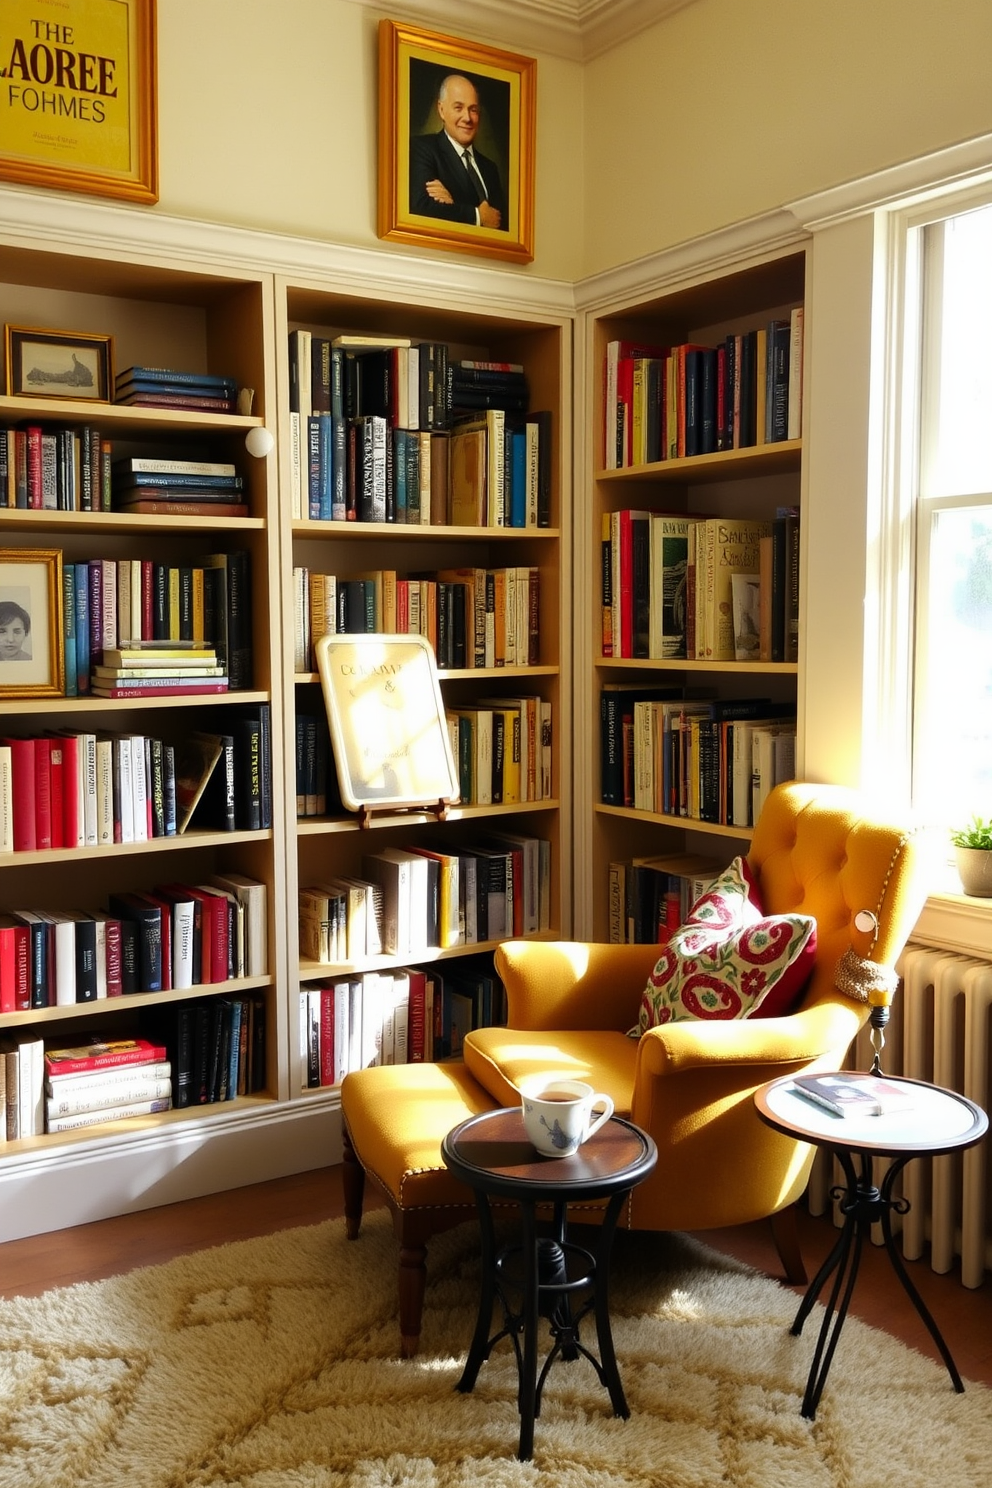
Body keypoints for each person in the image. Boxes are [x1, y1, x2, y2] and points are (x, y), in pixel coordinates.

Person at [409, 73, 507, 231]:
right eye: (458, 108)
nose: (467, 117)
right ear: (441, 110)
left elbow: (499, 223)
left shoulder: (490, 169)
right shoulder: (422, 148)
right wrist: (478, 216)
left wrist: (453, 205)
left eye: (473, 109)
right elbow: (422, 207)